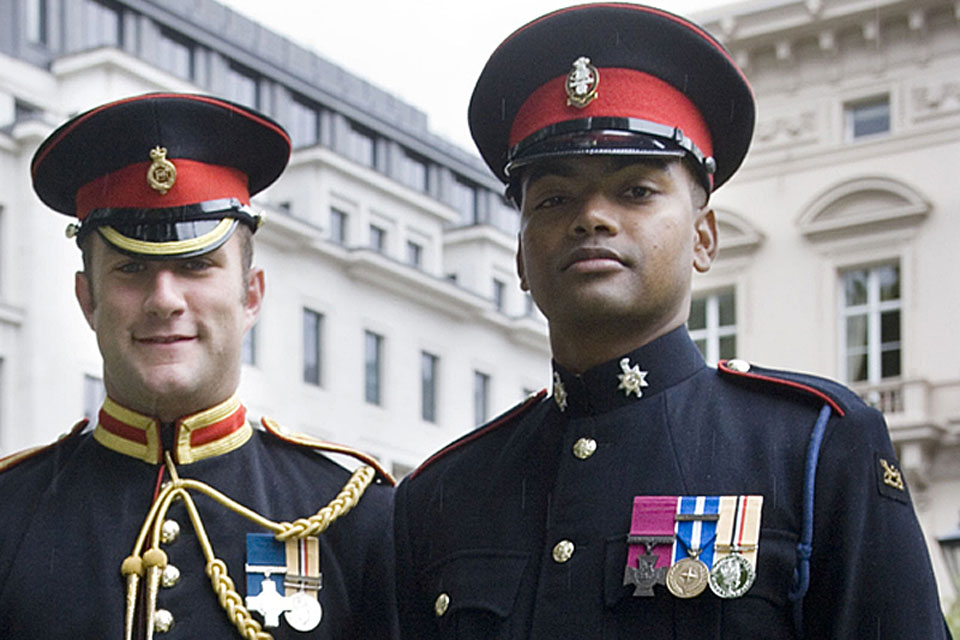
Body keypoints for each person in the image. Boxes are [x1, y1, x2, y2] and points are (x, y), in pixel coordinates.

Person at [393, 4, 950, 639]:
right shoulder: (442, 496)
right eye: (553, 199)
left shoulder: (814, 449)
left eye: (636, 191)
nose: (592, 218)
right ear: (521, 255)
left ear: (704, 238)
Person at [0, 93, 398, 639]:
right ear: (87, 299)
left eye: (196, 266)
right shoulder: (11, 515)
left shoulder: (354, 517)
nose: (164, 299)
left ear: (251, 296)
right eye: (131, 268)